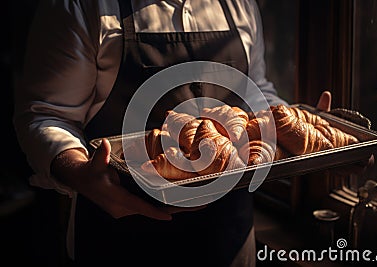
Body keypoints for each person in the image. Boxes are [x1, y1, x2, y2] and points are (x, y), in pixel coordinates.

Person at [13, 0, 333, 266]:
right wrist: (79, 172)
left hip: (230, 239)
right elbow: (45, 114)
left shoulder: (239, 4)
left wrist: (307, 126)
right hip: (121, 239)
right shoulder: (82, 6)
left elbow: (254, 92)